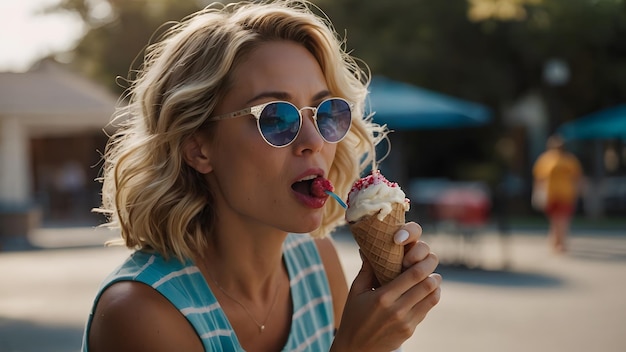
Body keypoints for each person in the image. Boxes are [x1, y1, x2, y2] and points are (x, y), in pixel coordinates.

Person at [82, 1, 441, 351]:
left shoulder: (317, 262)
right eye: (276, 118)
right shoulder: (139, 314)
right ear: (197, 147)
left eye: (325, 111)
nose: (314, 141)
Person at [532, 134, 583, 253]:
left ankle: (560, 242)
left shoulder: (570, 160)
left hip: (566, 194)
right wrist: (537, 193)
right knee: (555, 219)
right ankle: (556, 240)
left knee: (563, 219)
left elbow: (577, 177)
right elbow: (539, 178)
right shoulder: (545, 159)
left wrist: (578, 191)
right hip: (551, 194)